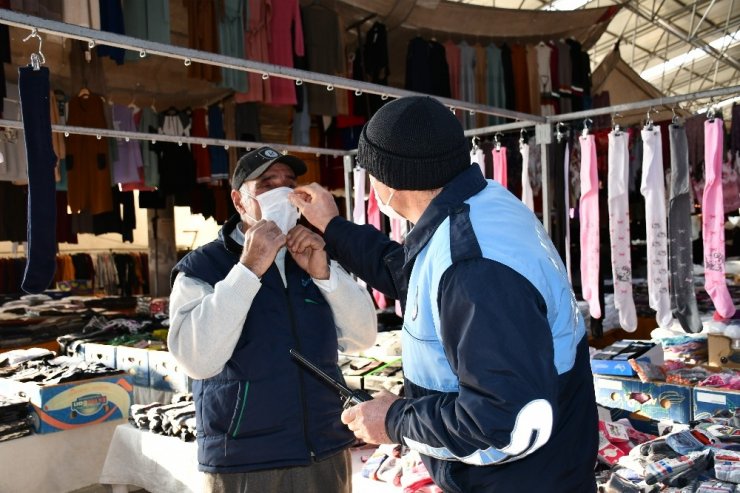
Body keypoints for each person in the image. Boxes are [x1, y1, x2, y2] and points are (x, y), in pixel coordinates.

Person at [290, 96, 599, 492]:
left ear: (389, 180)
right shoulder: (480, 205)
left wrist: (394, 421)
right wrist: (332, 227)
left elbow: (504, 419)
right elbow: (413, 272)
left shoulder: (472, 267)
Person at [168, 146, 377, 493]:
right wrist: (248, 269)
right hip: (246, 460)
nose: (282, 192)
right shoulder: (201, 268)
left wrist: (326, 275)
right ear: (239, 201)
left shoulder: (312, 251)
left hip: (325, 448)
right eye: (267, 185)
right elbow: (196, 359)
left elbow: (363, 337)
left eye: (289, 183)